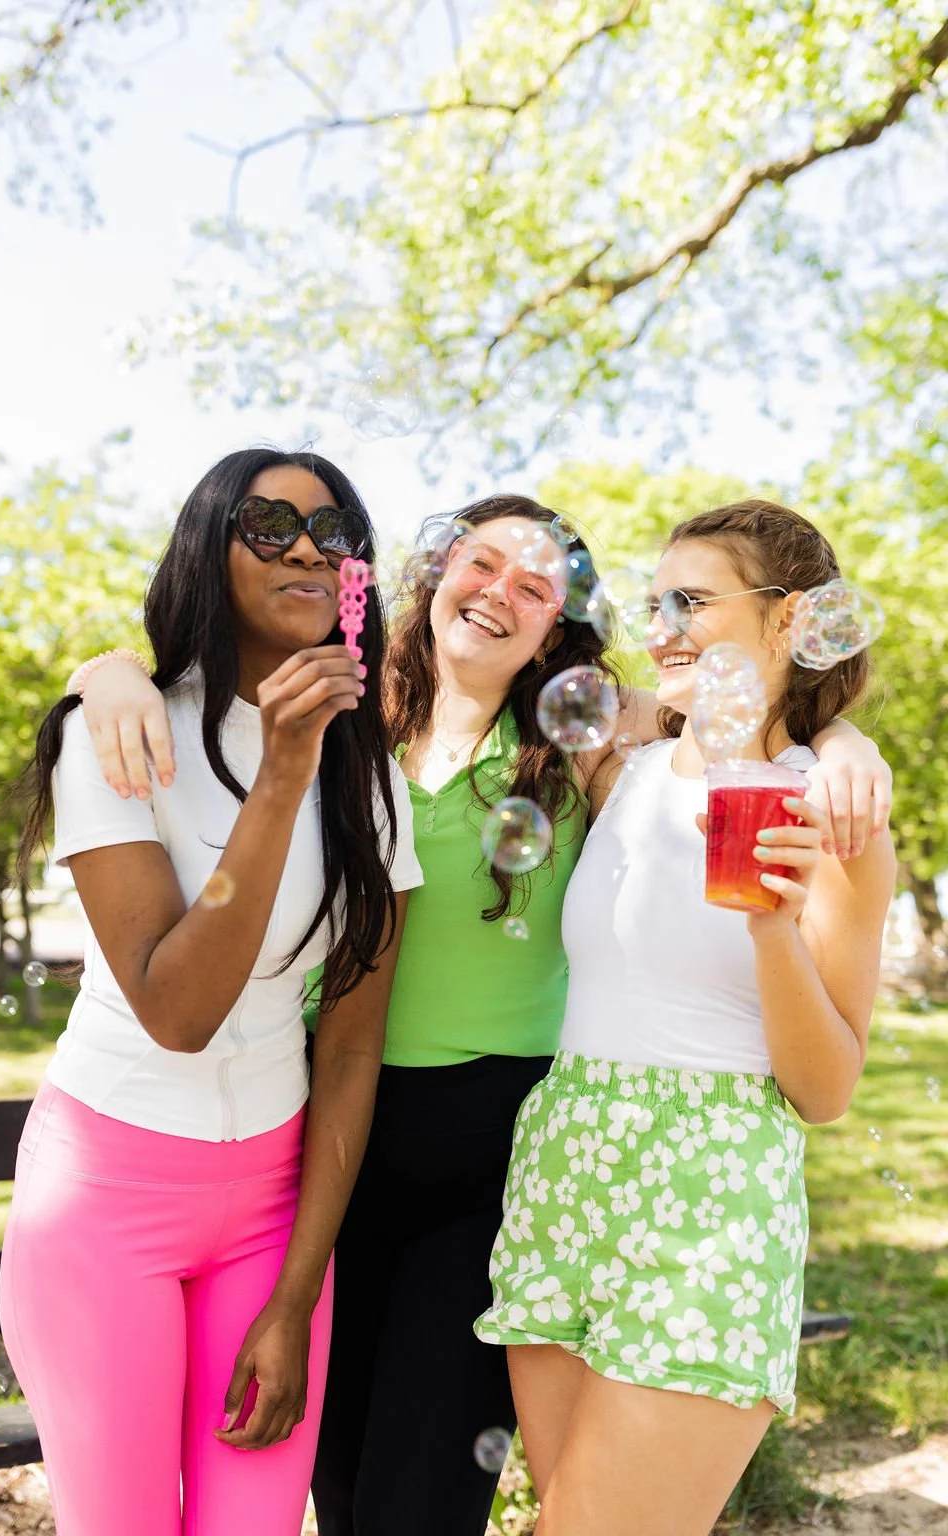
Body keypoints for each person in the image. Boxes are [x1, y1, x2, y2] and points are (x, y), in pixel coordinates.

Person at [71, 493, 892, 1536]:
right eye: (481, 564)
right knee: (342, 1486)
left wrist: (844, 744)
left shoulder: (581, 752)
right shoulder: (339, 718)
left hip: (504, 1154)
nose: (501, 593)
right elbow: (197, 687)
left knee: (436, 1504)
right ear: (433, 574)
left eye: (537, 585)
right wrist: (99, 672)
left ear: (558, 628)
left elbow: (749, 715)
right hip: (330, 1136)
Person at [0, 448, 423, 1536]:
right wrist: (279, 775)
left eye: (333, 532)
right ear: (207, 544)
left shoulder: (369, 776)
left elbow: (350, 1051)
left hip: (271, 1219)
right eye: (266, 522)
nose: (304, 548)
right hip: (107, 1201)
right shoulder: (118, 734)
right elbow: (176, 1012)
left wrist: (295, 1292)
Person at [474, 499, 897, 1536]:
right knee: (559, 1514)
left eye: (692, 602)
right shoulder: (620, 763)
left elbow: (826, 1089)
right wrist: (108, 675)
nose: (659, 625)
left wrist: (770, 930)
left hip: (708, 1194)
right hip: (568, 1167)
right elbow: (466, 684)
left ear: (790, 621)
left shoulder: (828, 813)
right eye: (652, 600)